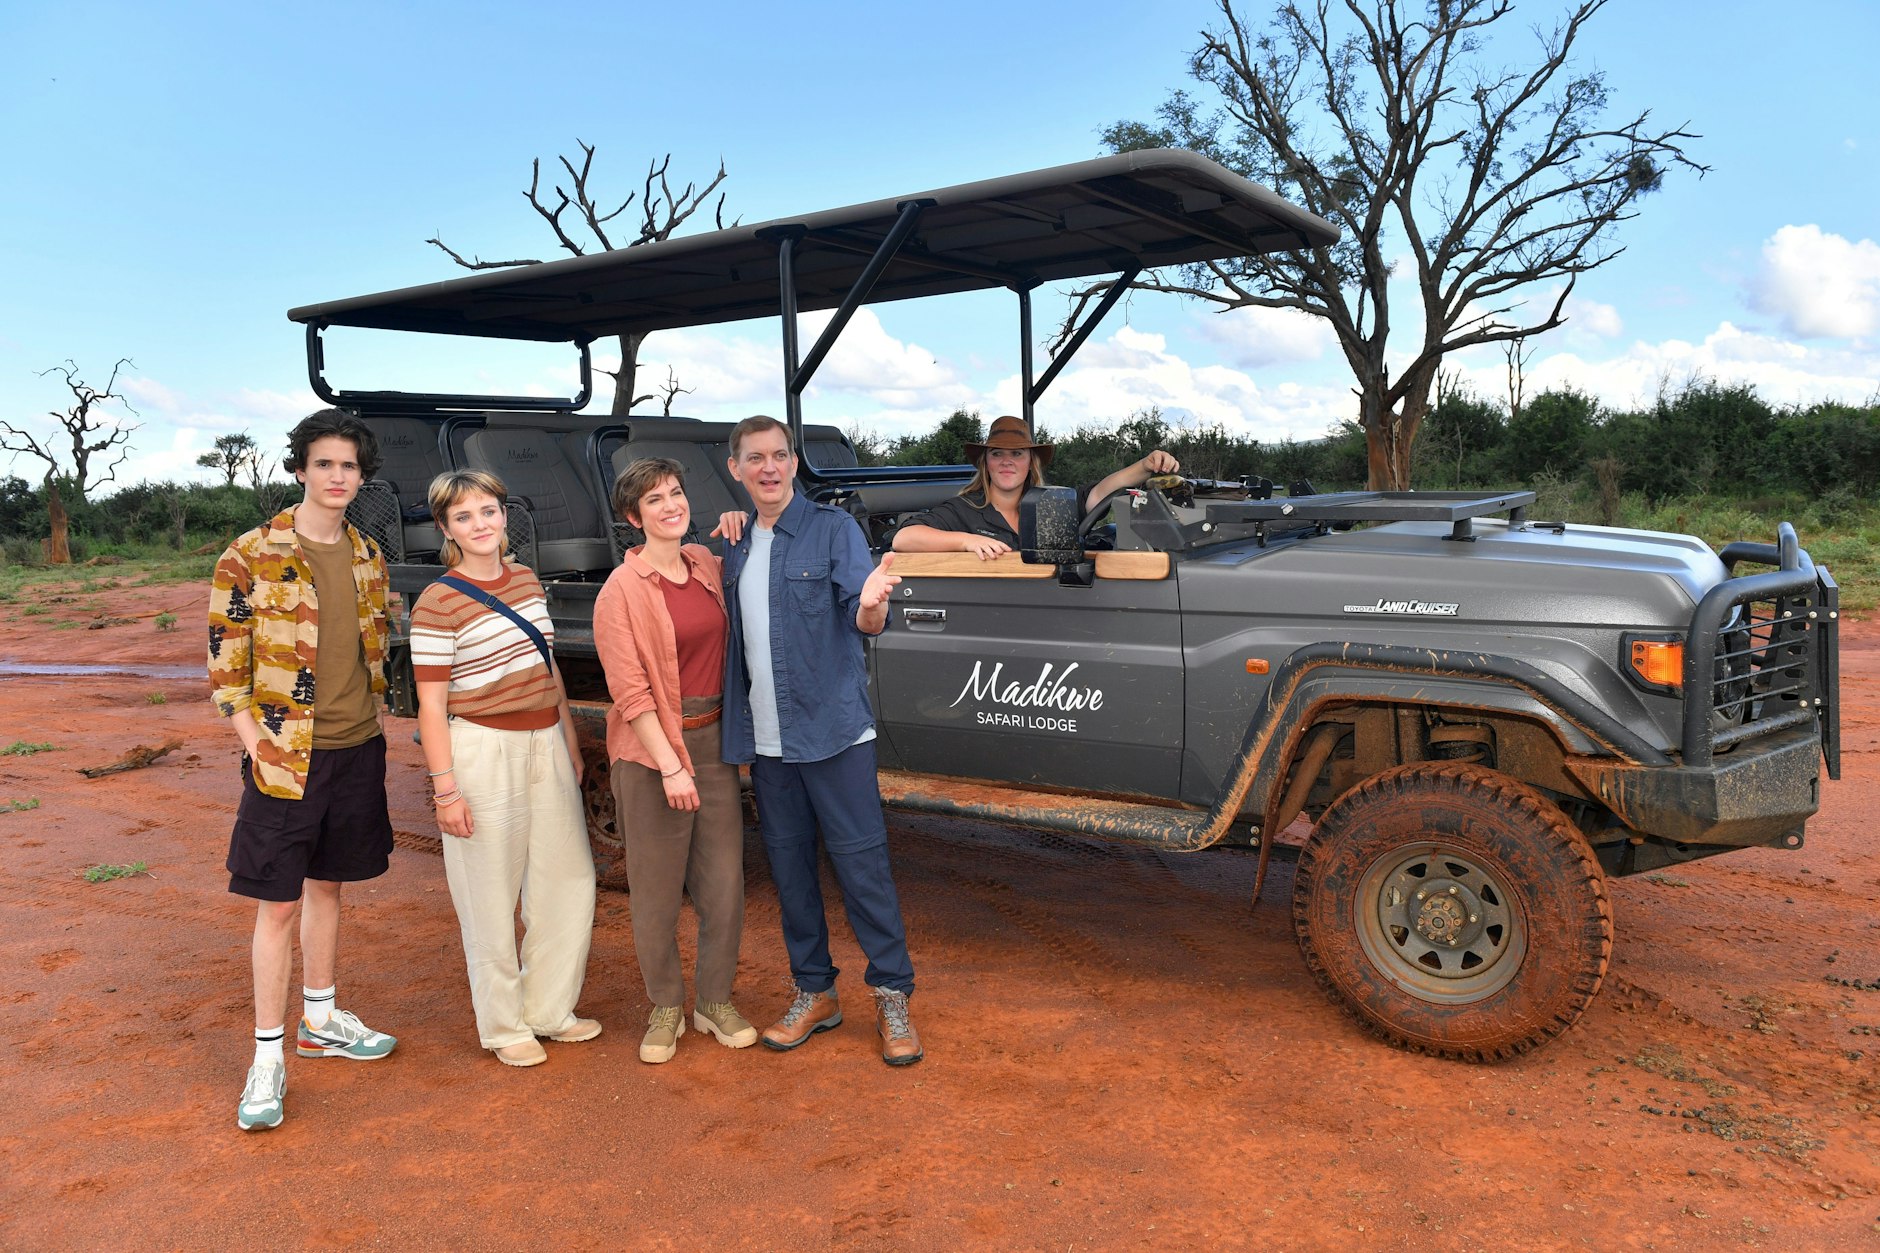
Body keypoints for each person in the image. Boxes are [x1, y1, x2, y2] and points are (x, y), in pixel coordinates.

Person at [209, 409, 399, 1132]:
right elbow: (226, 659)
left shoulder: (366, 555)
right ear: (300, 470)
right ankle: (267, 1057)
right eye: (325, 463)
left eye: (349, 465)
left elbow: (372, 651)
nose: (338, 476)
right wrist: (253, 739)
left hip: (356, 747)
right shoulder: (251, 554)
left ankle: (320, 1019)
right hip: (285, 757)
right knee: (277, 903)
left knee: (329, 885)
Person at [718, 415, 923, 1066]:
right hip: (770, 743)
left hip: (834, 735)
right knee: (790, 874)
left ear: (795, 463)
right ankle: (815, 991)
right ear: (736, 469)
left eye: (781, 455)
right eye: (756, 458)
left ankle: (891, 995)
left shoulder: (834, 531)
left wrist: (873, 602)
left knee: (863, 869)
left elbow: (864, 616)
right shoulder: (734, 542)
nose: (770, 467)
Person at [409, 470, 599, 1069]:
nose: (480, 524)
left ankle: (549, 1010)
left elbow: (548, 666)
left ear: (503, 515)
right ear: (446, 529)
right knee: (488, 892)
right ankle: (503, 1024)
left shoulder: (525, 580)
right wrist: (446, 790)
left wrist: (567, 737)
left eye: (488, 511)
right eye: (464, 517)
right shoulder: (437, 601)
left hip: (545, 739)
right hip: (481, 749)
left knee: (567, 881)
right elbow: (431, 706)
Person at [593, 458, 754, 1064]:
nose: (671, 505)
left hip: (715, 742)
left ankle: (714, 1001)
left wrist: (739, 518)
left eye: (677, 493)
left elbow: (749, 556)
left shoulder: (706, 566)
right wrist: (669, 765)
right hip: (651, 751)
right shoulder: (621, 590)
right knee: (656, 890)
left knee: (724, 885)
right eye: (655, 499)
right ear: (634, 517)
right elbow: (630, 691)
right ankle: (665, 1005)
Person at [890, 414, 1180, 559]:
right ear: (985, 463)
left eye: (1017, 454)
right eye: (997, 453)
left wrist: (1144, 465)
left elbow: (1102, 492)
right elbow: (904, 539)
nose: (1007, 462)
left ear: (1031, 462)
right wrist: (967, 542)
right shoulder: (965, 509)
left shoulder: (1052, 505)